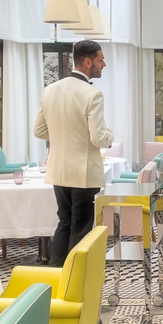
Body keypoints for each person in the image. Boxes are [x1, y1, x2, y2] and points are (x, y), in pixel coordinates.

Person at [33, 40, 113, 267]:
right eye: (101, 60)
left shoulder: (50, 90)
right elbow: (99, 138)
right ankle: (75, 283)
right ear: (88, 62)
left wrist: (62, 135)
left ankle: (57, 277)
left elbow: (39, 131)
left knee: (64, 222)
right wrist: (110, 135)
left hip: (58, 171)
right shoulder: (92, 94)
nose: (103, 64)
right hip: (83, 172)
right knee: (82, 226)